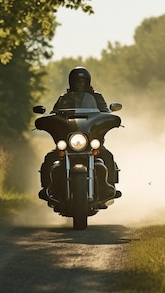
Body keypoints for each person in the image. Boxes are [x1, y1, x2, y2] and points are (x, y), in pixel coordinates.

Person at [40, 66, 118, 200]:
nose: (80, 84)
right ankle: (48, 188)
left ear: (87, 82)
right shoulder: (64, 98)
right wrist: (47, 118)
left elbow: (105, 112)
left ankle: (109, 187)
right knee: (50, 159)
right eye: (77, 81)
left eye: (82, 81)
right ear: (71, 82)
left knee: (107, 156)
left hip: (91, 141)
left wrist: (110, 118)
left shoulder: (97, 97)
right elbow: (54, 113)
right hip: (69, 142)